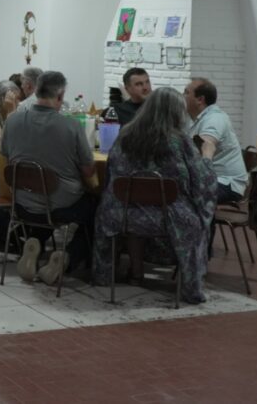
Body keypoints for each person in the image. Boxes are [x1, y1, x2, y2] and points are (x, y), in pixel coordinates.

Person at [93, 88, 217, 303]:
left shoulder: (124, 135)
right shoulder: (180, 141)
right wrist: (207, 156)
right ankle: (190, 287)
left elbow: (111, 176)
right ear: (176, 113)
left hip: (123, 214)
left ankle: (121, 274)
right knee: (197, 222)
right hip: (168, 217)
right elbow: (201, 182)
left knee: (119, 213)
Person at [0, 71, 95, 285]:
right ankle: (66, 258)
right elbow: (89, 171)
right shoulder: (71, 126)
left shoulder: (12, 121)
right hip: (60, 204)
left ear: (35, 90)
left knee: (42, 200)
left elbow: (5, 155)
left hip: (22, 203)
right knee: (97, 209)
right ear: (60, 96)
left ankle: (34, 242)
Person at [184, 78, 248, 205]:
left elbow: (204, 146)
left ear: (200, 99)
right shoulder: (200, 118)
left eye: (186, 92)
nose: (182, 96)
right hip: (214, 180)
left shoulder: (215, 118)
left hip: (226, 184)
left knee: (182, 196)